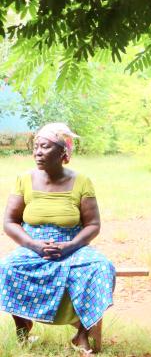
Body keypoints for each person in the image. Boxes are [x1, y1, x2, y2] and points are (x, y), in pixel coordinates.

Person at [0, 123, 116, 353]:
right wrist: (33, 245)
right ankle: (23, 330)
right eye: (35, 147)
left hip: (72, 244)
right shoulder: (24, 179)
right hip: (32, 244)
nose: (38, 152)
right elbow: (9, 222)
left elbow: (93, 225)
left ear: (63, 153)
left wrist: (71, 246)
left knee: (101, 268)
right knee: (8, 267)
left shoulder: (82, 181)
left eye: (45, 147)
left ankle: (81, 335)